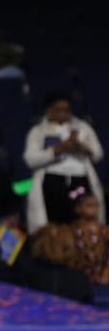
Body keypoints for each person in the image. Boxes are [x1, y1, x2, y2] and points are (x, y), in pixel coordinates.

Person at [24, 93, 104, 232]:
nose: (64, 114)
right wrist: (58, 149)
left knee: (80, 220)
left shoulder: (83, 127)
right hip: (53, 182)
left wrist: (81, 147)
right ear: (48, 111)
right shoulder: (38, 131)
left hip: (80, 181)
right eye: (58, 110)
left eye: (66, 110)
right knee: (57, 224)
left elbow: (98, 154)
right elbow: (30, 159)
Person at [29, 194, 109, 286]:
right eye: (89, 205)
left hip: (103, 282)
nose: (94, 209)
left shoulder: (105, 231)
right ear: (78, 209)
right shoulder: (67, 232)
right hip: (76, 281)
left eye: (96, 205)